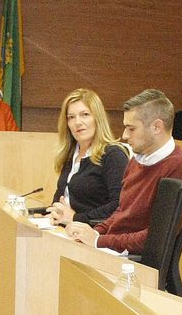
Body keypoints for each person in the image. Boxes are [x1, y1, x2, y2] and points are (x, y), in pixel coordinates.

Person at [65, 89, 182, 254]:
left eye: (131, 129)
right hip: (113, 249)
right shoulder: (137, 160)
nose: (124, 135)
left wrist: (99, 241)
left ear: (156, 127)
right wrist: (95, 233)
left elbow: (157, 237)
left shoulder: (180, 167)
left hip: (132, 260)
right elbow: (122, 211)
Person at [44, 88, 131, 227]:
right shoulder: (70, 155)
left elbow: (119, 205)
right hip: (63, 231)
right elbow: (61, 198)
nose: (77, 122)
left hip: (95, 234)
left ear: (97, 118)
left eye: (85, 115)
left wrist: (77, 218)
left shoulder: (113, 155)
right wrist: (52, 213)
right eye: (71, 117)